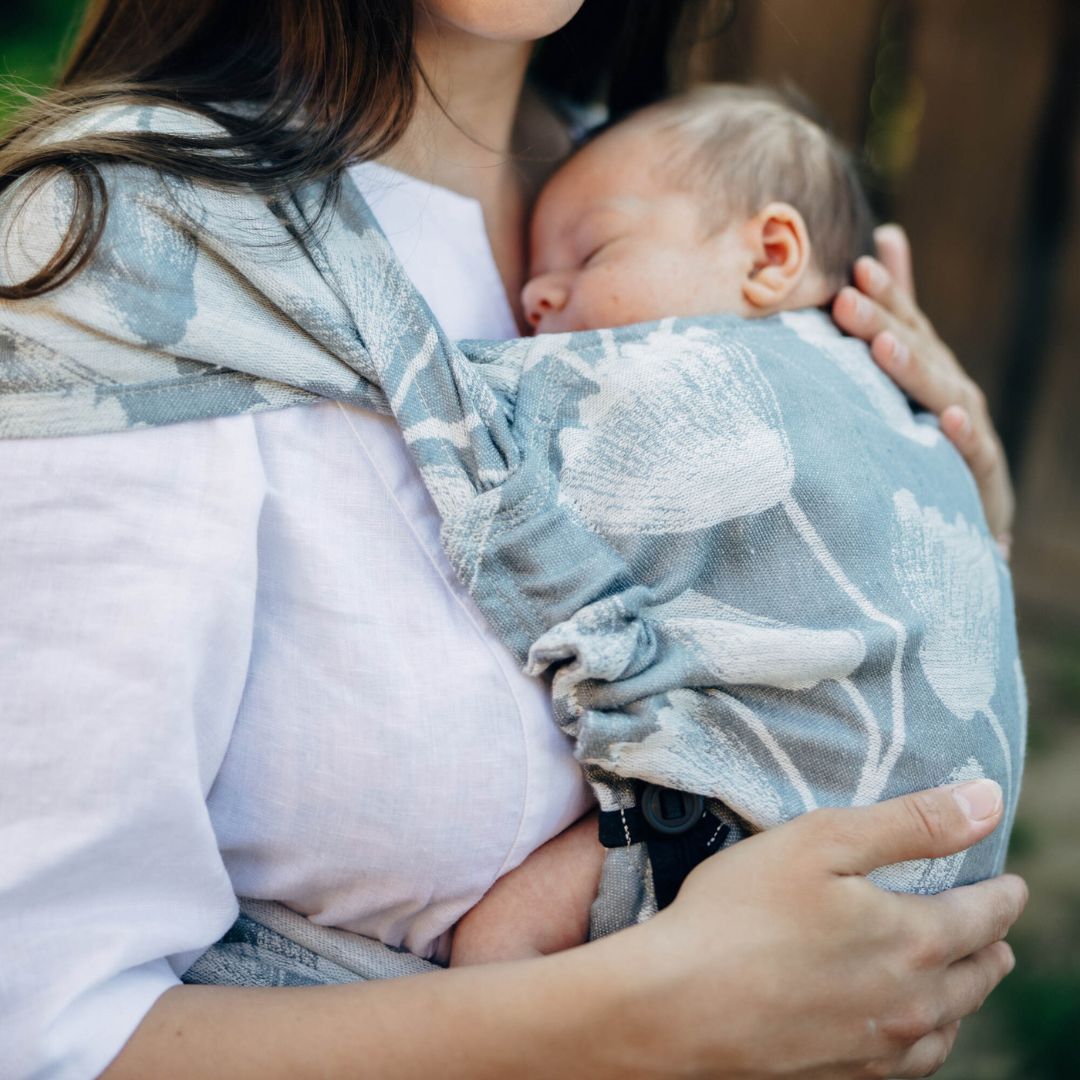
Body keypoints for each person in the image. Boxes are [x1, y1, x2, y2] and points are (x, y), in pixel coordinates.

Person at [0, 2, 1025, 1078]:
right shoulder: (115, 262)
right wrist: (632, 1023)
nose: (546, 297)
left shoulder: (667, 196)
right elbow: (39, 1026)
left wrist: (953, 515)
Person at [449, 82, 1024, 968]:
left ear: (771, 256)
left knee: (500, 941)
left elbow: (468, 439)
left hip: (758, 829)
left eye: (592, 250)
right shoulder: (882, 390)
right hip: (944, 862)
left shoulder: (702, 382)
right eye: (532, 277)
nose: (537, 299)